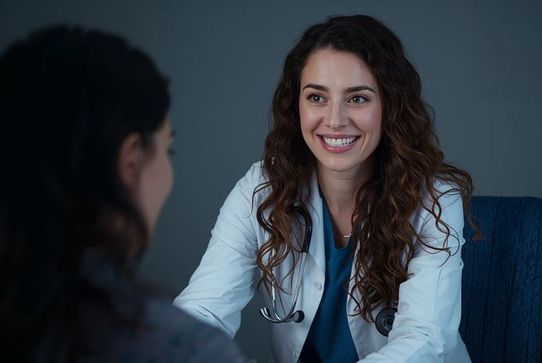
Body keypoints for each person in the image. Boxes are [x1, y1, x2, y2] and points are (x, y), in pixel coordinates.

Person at [175, 15, 473, 362]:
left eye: (358, 99)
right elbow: (203, 312)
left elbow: (425, 339)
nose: (334, 119)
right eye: (317, 97)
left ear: (390, 107)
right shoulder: (260, 188)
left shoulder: (435, 199)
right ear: (296, 106)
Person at [0, 26, 246, 363]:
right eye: (167, 150)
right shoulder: (183, 348)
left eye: (349, 97)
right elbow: (205, 311)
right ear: (131, 160)